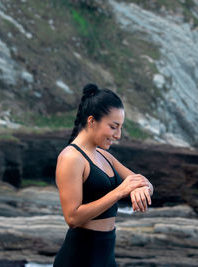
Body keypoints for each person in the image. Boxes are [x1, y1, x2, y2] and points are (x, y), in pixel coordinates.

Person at [53, 83, 154, 267]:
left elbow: (141, 182)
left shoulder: (104, 156)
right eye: (113, 127)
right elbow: (72, 218)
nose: (118, 135)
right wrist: (119, 192)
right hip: (80, 258)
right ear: (92, 121)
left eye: (120, 128)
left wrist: (143, 188)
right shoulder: (71, 158)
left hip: (106, 256)